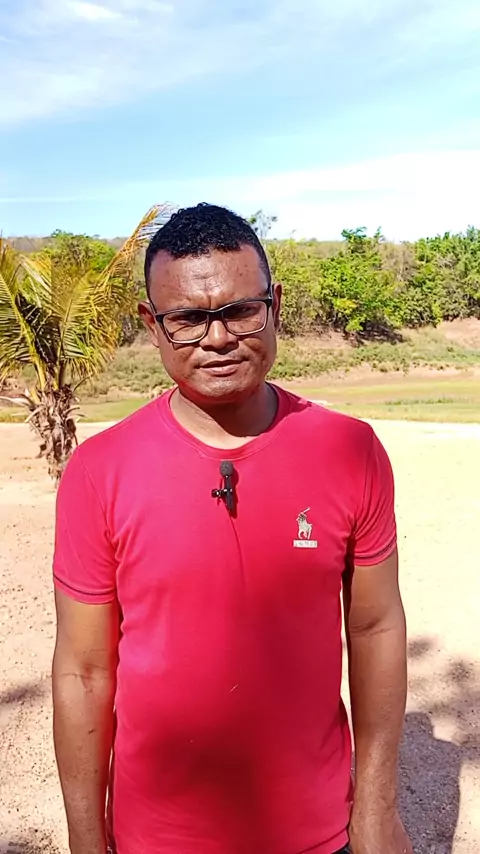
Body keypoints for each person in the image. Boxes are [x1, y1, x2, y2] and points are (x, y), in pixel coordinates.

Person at [52, 203, 412, 854]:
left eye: (240, 311)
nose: (217, 338)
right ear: (152, 325)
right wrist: (85, 840)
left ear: (275, 306)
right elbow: (83, 670)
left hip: (319, 832)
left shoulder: (350, 451)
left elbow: (376, 627)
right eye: (188, 319)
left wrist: (376, 810)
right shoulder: (99, 471)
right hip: (155, 838)